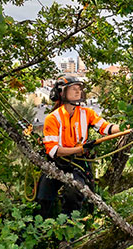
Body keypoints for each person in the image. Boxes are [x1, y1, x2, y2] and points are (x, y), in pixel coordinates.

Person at [35, 74, 121, 219]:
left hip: (78, 164)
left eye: (79, 89)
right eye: (73, 89)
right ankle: (40, 229)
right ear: (62, 92)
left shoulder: (87, 114)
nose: (77, 92)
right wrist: (80, 149)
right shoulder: (52, 118)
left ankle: (67, 228)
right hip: (56, 163)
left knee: (75, 191)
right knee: (43, 198)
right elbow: (53, 151)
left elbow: (107, 128)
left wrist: (128, 126)